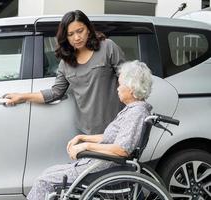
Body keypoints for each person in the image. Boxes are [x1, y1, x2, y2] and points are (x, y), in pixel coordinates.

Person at [26, 60, 153, 200]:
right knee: (48, 173)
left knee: (44, 181)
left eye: (120, 84)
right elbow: (110, 137)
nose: (117, 88)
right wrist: (83, 137)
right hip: (100, 165)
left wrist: (85, 146)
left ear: (131, 88)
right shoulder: (132, 110)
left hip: (104, 168)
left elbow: (122, 149)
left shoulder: (136, 113)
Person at [3, 10, 125, 134]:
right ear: (65, 37)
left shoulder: (107, 47)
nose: (77, 38)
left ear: (88, 29)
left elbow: (127, 80)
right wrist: (22, 96)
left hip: (116, 128)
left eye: (80, 31)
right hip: (86, 132)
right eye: (70, 34)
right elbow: (55, 92)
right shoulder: (65, 63)